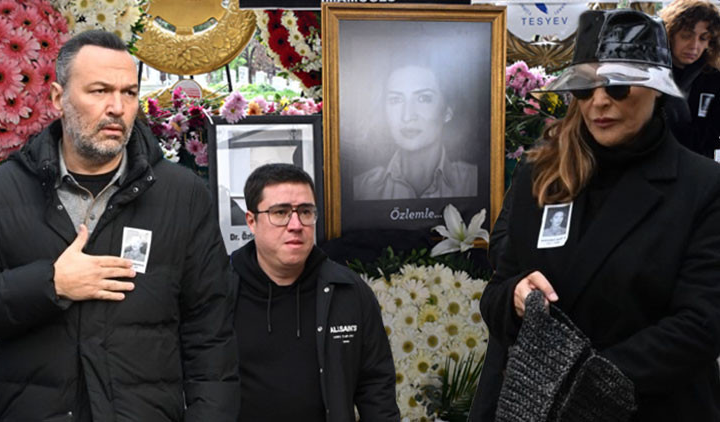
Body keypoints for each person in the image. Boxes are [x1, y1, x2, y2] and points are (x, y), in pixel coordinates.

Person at [0, 31, 239, 420]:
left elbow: (211, 335)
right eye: (99, 91)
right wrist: (51, 283)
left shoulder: (183, 196)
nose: (117, 107)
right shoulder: (3, 191)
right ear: (58, 98)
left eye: (129, 93)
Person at [473, 9, 720, 421]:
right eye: (585, 88)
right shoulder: (541, 174)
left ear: (657, 88)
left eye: (619, 86)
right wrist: (515, 297)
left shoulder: (702, 187)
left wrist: (588, 384)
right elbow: (498, 290)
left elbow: (701, 324)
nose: (600, 102)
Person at [228, 163, 400, 421]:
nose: (296, 224)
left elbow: (376, 387)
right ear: (252, 221)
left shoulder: (348, 291)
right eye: (281, 212)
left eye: (305, 212)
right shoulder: (221, 289)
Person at [353, 64, 478, 200]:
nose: (407, 117)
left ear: (447, 111)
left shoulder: (475, 182)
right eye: (396, 100)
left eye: (423, 99)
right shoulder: (362, 188)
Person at [661, 0, 720, 158]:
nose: (694, 45)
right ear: (669, 34)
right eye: (686, 36)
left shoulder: (714, 78)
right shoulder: (652, 74)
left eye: (703, 38)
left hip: (698, 165)